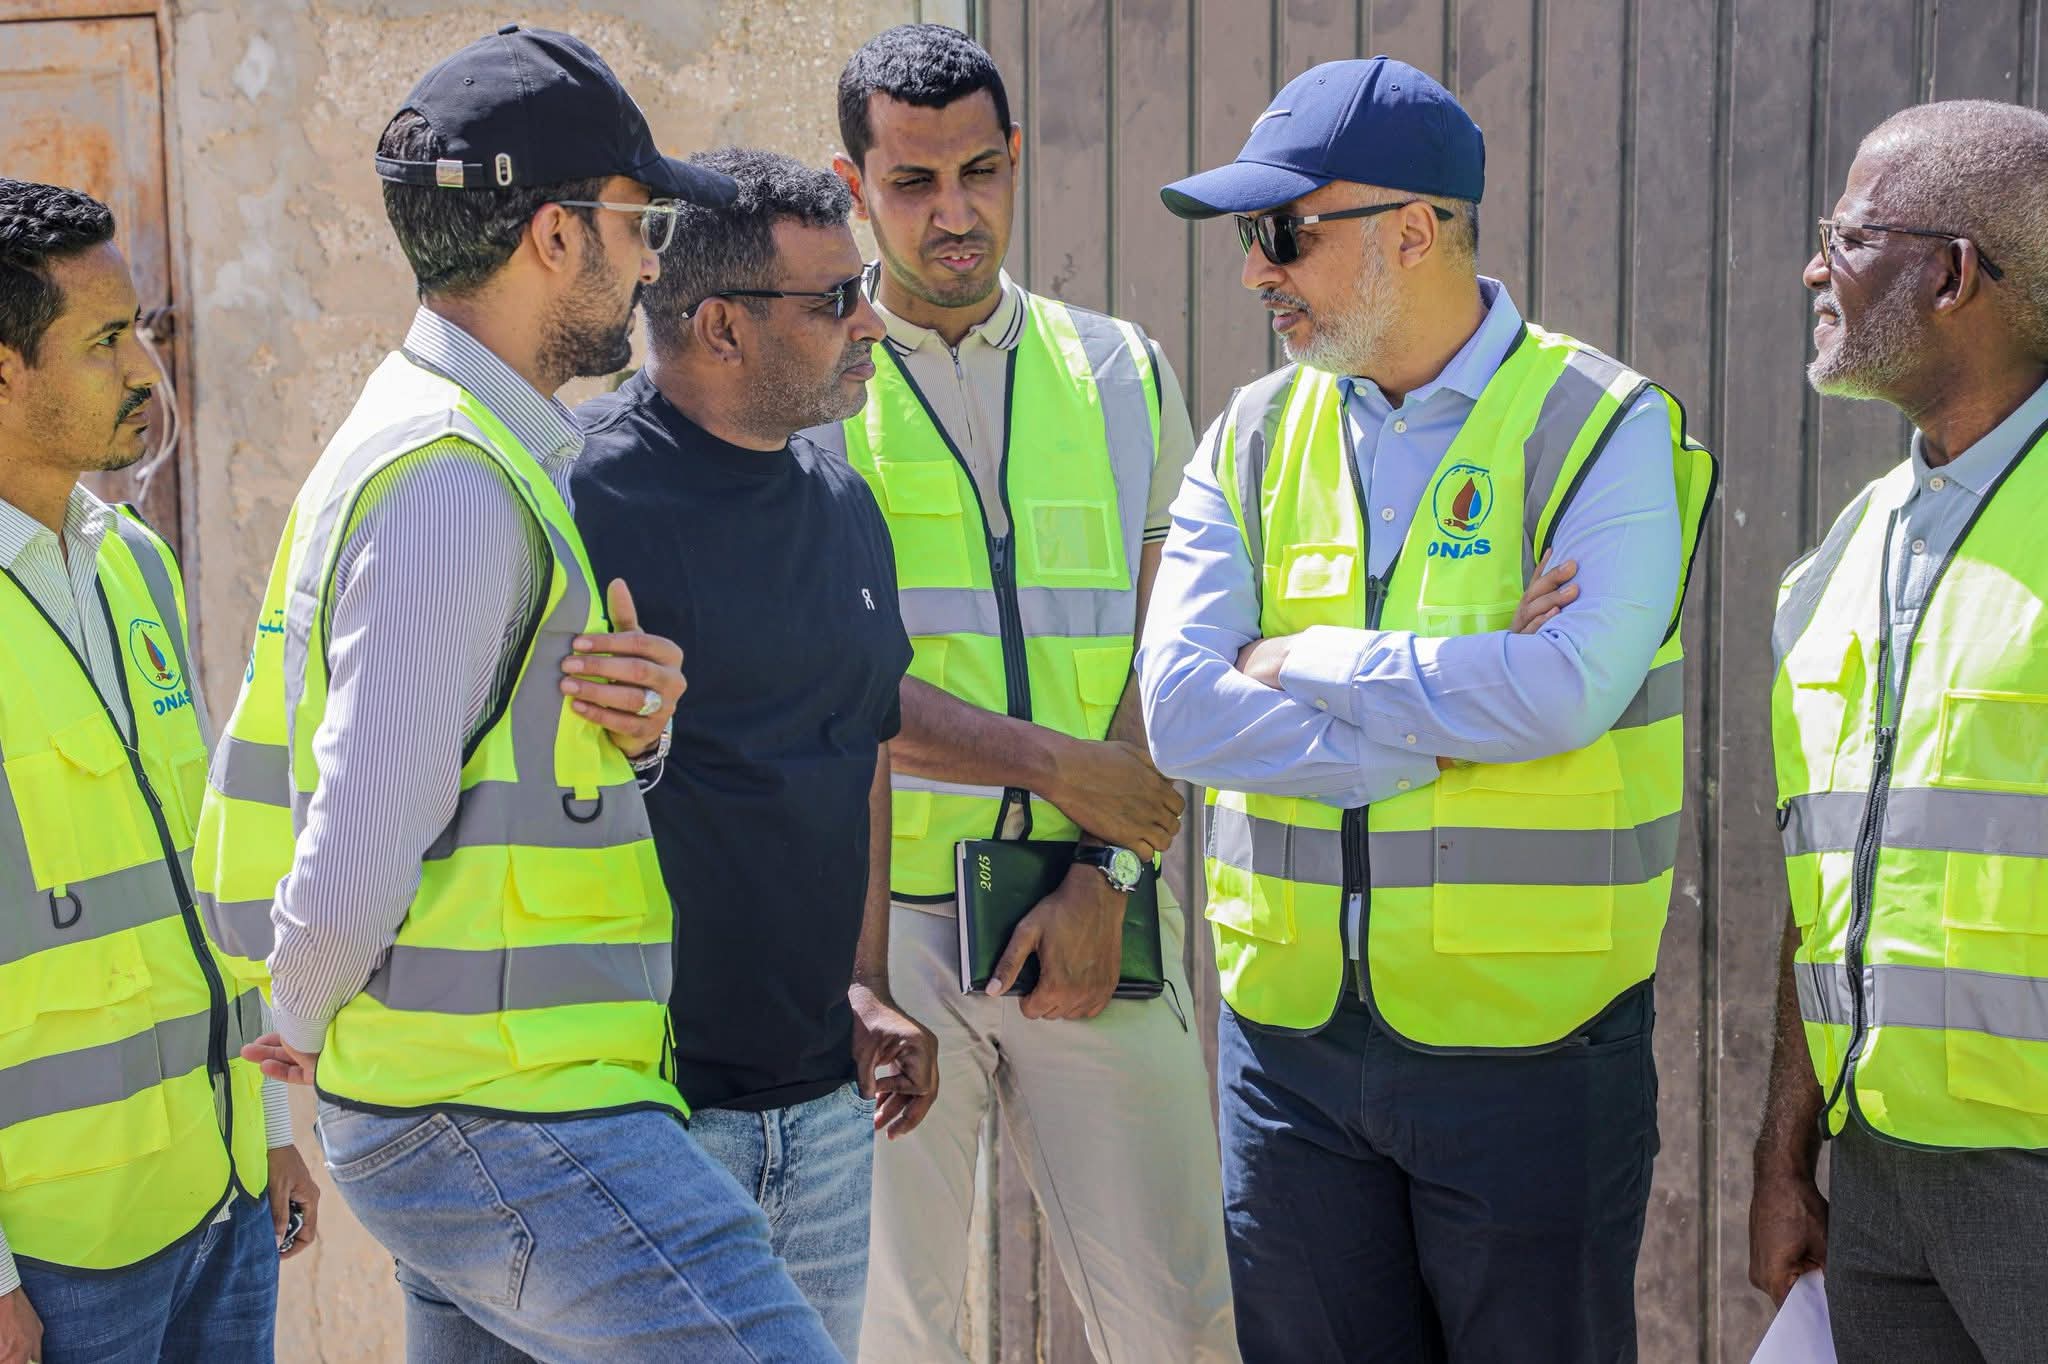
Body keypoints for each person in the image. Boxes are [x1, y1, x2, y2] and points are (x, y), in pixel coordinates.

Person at [190, 28, 840, 1363]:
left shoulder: (455, 444)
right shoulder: (451, 480)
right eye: (639, 224)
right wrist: (291, 1029)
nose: (652, 263)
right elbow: (362, 834)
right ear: (554, 234)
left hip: (472, 1099)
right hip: (500, 1108)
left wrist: (622, 741)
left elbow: (452, 768)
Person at [1142, 57, 1716, 1363]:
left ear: (1412, 230)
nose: (1255, 271)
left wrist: (1295, 655)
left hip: (1534, 1057)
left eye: (1282, 231)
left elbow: (1565, 690)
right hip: (1288, 1059)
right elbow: (1178, 715)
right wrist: (1449, 718)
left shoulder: (1603, 426)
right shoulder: (1247, 435)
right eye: (1246, 236)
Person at [804, 25, 1238, 1364]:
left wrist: (1108, 870)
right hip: (881, 939)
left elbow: (1175, 643)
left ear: (1014, 161)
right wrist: (1058, 766)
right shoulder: (810, 390)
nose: (955, 213)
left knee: (1183, 1327)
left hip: (1091, 909)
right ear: (853, 185)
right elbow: (826, 683)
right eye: (913, 183)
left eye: (980, 173)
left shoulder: (1121, 371)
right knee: (891, 1337)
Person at [570, 146, 937, 1357]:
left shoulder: (842, 501)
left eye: (860, 287)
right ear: (720, 325)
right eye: (835, 298)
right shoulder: (578, 498)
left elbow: (860, 743)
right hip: (646, 1122)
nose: (869, 320)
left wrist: (864, 984)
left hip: (825, 1117)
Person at [0, 177, 320, 1364]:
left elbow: (209, 872)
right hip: (61, 1255)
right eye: (104, 341)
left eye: (138, 329)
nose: (145, 368)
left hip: (221, 1195)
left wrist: (271, 1125)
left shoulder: (135, 562)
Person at [1748, 99, 2048, 1363]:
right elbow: (1819, 881)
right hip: (1874, 1174)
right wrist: (1784, 1150)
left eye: (1847, 236)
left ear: (1952, 274)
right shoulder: (1845, 549)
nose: (1812, 268)